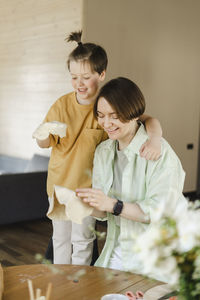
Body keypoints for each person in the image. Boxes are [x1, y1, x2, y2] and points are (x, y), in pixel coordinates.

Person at [35, 31, 163, 266]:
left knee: (83, 241)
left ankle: (80, 288)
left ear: (101, 74)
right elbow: (45, 143)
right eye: (74, 77)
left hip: (88, 192)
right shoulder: (61, 105)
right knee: (60, 241)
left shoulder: (109, 108)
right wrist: (41, 134)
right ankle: (64, 287)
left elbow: (147, 119)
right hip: (59, 185)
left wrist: (155, 140)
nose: (79, 84)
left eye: (85, 77)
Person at [76, 77, 185, 281]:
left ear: (135, 114)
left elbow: (159, 214)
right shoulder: (103, 151)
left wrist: (113, 205)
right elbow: (104, 211)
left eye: (114, 116)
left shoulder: (160, 154)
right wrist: (87, 204)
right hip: (117, 252)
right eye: (100, 116)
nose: (106, 123)